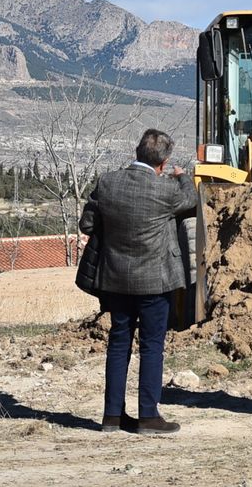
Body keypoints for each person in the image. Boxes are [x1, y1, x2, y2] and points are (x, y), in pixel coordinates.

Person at [78, 128, 200, 435]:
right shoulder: (165, 190)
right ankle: (148, 416)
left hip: (116, 279)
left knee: (119, 344)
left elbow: (87, 223)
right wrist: (182, 175)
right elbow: (190, 199)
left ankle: (111, 416)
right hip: (155, 282)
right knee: (151, 346)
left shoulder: (108, 183)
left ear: (136, 151)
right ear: (163, 163)